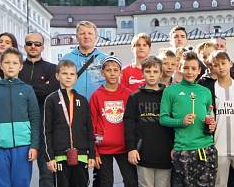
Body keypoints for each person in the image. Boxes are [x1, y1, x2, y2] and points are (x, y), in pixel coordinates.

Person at [0, 47, 40, 187]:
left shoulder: (27, 90)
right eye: (7, 63)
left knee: (21, 183)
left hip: (23, 146)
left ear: (20, 66)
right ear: (1, 66)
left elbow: (35, 118)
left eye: (14, 63)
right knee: (0, 183)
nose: (10, 66)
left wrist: (34, 145)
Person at [160, 51, 217, 187]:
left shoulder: (205, 92)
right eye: (186, 68)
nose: (189, 72)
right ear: (180, 68)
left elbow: (210, 116)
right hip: (182, 150)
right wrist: (181, 122)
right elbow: (163, 119)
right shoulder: (170, 91)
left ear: (199, 71)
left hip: (205, 149)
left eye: (193, 68)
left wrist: (211, 125)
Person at [200, 51, 234, 187]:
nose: (221, 67)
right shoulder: (209, 90)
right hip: (219, 150)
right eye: (216, 65)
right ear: (212, 67)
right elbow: (205, 118)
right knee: (218, 184)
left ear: (230, 64)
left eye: (223, 63)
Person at [43, 60, 96, 187]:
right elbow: (46, 131)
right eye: (64, 73)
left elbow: (89, 129)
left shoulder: (82, 100)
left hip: (81, 155)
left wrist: (92, 155)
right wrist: (49, 157)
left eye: (72, 74)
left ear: (76, 77)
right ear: (57, 76)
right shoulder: (51, 100)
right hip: (60, 156)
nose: (68, 77)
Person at [124, 56, 174, 187]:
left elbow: (174, 123)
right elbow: (129, 124)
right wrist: (131, 148)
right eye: (148, 71)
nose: (151, 75)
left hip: (165, 153)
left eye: (155, 71)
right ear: (142, 73)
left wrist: (175, 147)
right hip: (143, 153)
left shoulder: (168, 95)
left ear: (161, 73)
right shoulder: (135, 97)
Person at [90, 56, 138, 187]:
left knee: (131, 181)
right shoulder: (97, 95)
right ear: (102, 73)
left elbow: (133, 122)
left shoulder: (128, 94)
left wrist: (133, 146)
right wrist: (94, 152)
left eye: (115, 70)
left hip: (124, 147)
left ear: (120, 73)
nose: (112, 73)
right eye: (108, 70)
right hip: (103, 148)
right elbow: (91, 125)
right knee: (106, 182)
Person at [19, 32, 58, 187]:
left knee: (47, 172)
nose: (33, 46)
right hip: (21, 124)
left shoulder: (51, 68)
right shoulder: (17, 67)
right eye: (29, 43)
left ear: (43, 46)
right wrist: (41, 88)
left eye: (37, 44)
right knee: (20, 173)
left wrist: (25, 89)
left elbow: (52, 90)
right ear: (24, 46)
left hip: (44, 125)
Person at [62, 21, 108, 98]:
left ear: (96, 37)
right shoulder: (67, 59)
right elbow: (61, 83)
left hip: (98, 104)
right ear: (76, 37)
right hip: (74, 104)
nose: (86, 36)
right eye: (82, 33)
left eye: (90, 33)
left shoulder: (105, 59)